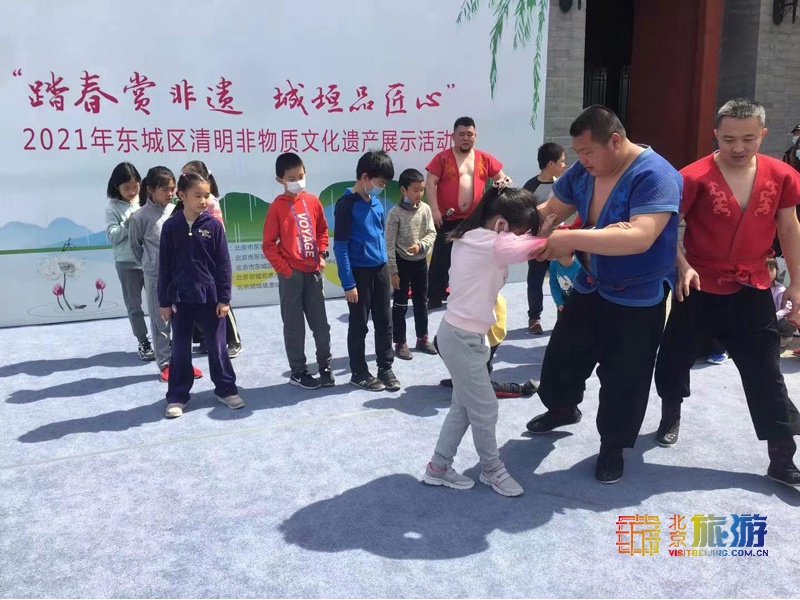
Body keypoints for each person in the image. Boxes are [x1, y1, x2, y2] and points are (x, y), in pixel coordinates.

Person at [524, 105, 682, 485]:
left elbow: (640, 236)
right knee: (563, 355)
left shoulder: (656, 174)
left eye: (587, 152)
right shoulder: (584, 172)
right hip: (590, 283)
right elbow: (551, 208)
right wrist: (513, 228)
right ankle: (563, 408)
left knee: (625, 377)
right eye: (577, 153)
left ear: (614, 141)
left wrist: (569, 238)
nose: (581, 160)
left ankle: (613, 446)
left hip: (637, 296)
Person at [653, 99, 800, 487]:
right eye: (730, 139)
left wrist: (797, 283)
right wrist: (682, 266)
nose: (739, 147)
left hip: (754, 286)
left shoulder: (781, 174)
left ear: (763, 135)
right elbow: (663, 228)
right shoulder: (692, 177)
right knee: (674, 356)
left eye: (748, 139)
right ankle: (670, 414)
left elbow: (789, 228)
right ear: (716, 135)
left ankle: (782, 457)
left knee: (766, 372)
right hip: (699, 284)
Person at [421, 183, 545, 497]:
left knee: (463, 407)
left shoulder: (473, 236)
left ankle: (438, 467)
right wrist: (557, 234)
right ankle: (492, 469)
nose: (519, 238)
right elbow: (535, 248)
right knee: (485, 409)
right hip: (462, 339)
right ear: (501, 224)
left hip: (463, 336)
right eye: (518, 232)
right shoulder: (491, 243)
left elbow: (526, 242)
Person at [158, 171, 244, 418]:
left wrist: (224, 299)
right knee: (180, 350)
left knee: (218, 347)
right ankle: (178, 395)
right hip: (180, 299)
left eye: (206, 195)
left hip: (211, 299)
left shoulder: (213, 226)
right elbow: (164, 267)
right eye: (197, 195)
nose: (203, 200)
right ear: (182, 195)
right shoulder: (170, 227)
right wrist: (164, 301)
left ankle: (226, 389)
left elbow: (224, 265)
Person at [262, 152, 334, 389]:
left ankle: (325, 366)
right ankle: (298, 371)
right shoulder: (277, 207)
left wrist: (321, 255)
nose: (297, 181)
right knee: (294, 327)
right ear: (280, 180)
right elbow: (268, 244)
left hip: (313, 273)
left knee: (321, 326)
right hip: (291, 277)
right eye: (291, 178)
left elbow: (322, 231)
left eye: (301, 176)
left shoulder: (312, 201)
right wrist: (285, 270)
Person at [333, 150, 401, 392]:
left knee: (384, 322)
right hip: (359, 274)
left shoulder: (377, 204)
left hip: (380, 270)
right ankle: (359, 372)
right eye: (380, 183)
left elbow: (380, 236)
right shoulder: (346, 206)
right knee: (359, 325)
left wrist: (389, 268)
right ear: (365, 178)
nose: (381, 188)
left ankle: (385, 367)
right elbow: (340, 247)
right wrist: (348, 283)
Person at [129, 166, 203, 383]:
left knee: (182, 321)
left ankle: (183, 361)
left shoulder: (179, 210)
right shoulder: (139, 217)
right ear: (150, 190)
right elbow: (135, 248)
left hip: (181, 276)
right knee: (160, 322)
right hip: (155, 277)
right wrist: (151, 265)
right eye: (165, 190)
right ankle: (166, 364)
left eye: (172, 189)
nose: (170, 194)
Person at [425, 116, 507, 309]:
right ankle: (434, 295)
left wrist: (502, 183)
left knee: (474, 258)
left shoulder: (484, 158)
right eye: (461, 134)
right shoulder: (442, 158)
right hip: (447, 217)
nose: (465, 138)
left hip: (474, 218)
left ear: (475, 136)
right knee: (441, 258)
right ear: (453, 136)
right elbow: (430, 183)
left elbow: (501, 178)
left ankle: (471, 294)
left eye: (469, 134)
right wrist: (434, 210)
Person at [181, 160, 243, 359]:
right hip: (195, 261)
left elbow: (218, 232)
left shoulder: (211, 202)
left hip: (211, 260)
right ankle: (206, 339)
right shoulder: (184, 203)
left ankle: (233, 340)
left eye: (187, 175)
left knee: (221, 301)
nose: (184, 179)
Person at [438, 294, 539, 398]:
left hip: (485, 331)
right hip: (476, 325)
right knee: (441, 341)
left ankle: (520, 389)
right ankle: (464, 377)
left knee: (479, 386)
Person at [386, 168, 437, 360]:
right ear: (403, 190)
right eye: (415, 190)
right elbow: (389, 244)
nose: (419, 194)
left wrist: (421, 245)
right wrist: (393, 271)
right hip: (401, 264)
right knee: (400, 304)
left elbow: (432, 233)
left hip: (420, 263)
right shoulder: (395, 214)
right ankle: (400, 342)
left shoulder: (425, 209)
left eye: (421, 190)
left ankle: (422, 338)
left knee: (421, 302)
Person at [105, 162, 153, 361]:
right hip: (127, 262)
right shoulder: (113, 207)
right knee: (134, 305)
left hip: (149, 259)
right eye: (127, 188)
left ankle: (163, 338)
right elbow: (111, 235)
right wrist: (128, 223)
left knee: (159, 303)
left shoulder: (146, 200)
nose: (132, 192)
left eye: (135, 186)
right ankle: (143, 341)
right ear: (116, 186)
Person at [523, 142, 568, 333]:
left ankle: (564, 317)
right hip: (537, 243)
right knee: (535, 280)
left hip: (559, 241)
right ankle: (534, 318)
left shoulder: (563, 184)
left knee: (563, 279)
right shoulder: (530, 187)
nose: (565, 165)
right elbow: (524, 216)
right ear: (551, 164)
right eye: (562, 161)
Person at [768, 257, 797, 347]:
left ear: (776, 270)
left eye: (771, 269)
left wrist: (776, 316)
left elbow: (788, 308)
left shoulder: (780, 289)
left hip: (776, 321)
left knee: (789, 320)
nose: (768, 273)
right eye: (764, 270)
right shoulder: (752, 288)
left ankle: (784, 337)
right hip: (761, 322)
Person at [548, 252, 581, 320]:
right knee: (562, 324)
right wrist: (559, 301)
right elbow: (554, 283)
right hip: (564, 300)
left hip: (581, 300)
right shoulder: (554, 263)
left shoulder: (580, 264)